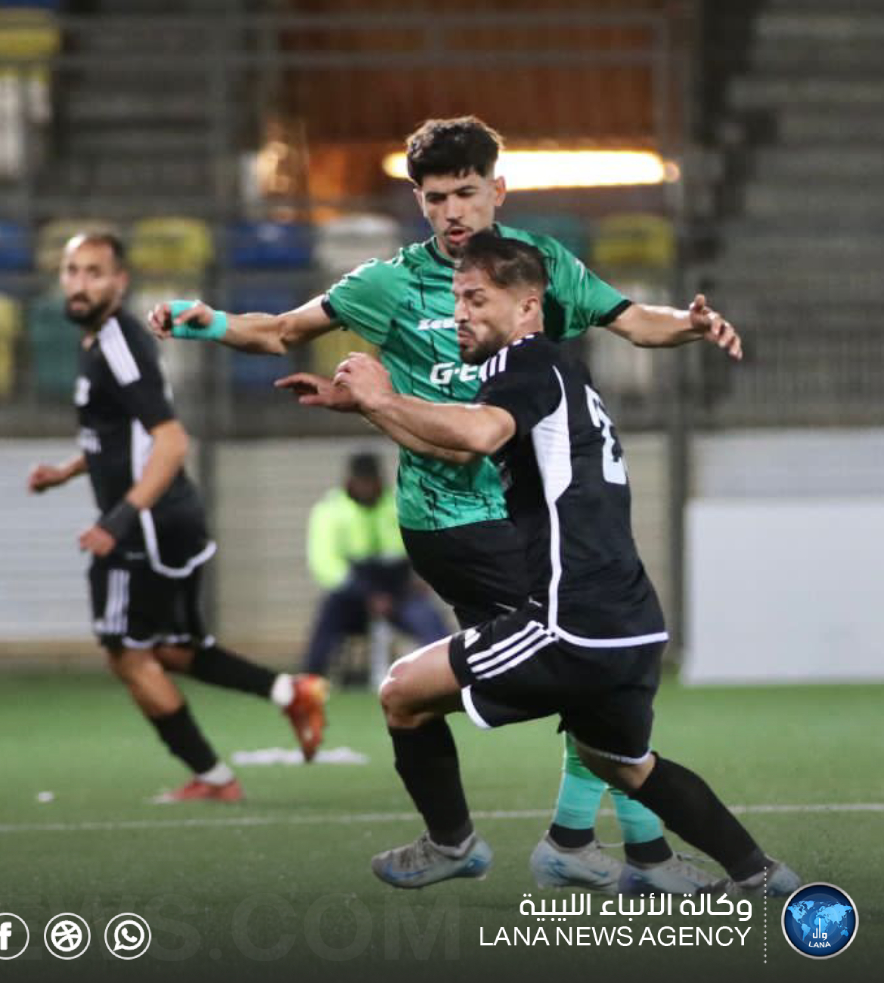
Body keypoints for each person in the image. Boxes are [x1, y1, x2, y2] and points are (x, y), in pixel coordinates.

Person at [149, 116, 739, 891]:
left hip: (521, 520)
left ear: (497, 189)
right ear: (417, 201)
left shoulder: (537, 268)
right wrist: (215, 323)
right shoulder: (385, 283)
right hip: (452, 525)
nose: (453, 211)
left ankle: (526, 841)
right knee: (595, 665)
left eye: (467, 192)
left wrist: (690, 325)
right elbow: (285, 329)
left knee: (588, 672)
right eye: (436, 198)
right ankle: (624, 851)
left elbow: (631, 320)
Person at [315, 231, 798, 895]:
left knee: (401, 691)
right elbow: (460, 448)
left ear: (527, 307)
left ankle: (451, 843)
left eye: (477, 298)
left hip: (569, 621)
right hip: (627, 619)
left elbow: (478, 433)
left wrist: (380, 396)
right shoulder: (547, 372)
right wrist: (374, 409)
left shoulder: (523, 366)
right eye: (456, 297)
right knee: (623, 763)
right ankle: (764, 876)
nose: (460, 312)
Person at [28, 231, 328, 803]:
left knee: (126, 653)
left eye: (95, 272)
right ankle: (292, 692)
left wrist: (117, 522)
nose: (80, 283)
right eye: (72, 271)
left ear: (120, 282)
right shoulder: (104, 341)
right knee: (171, 648)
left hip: (145, 526)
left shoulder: (116, 343)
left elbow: (170, 443)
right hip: (174, 519)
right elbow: (124, 437)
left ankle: (214, 778)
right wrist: (67, 472)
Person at [305, 451, 448, 677]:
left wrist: (424, 575)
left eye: (371, 481)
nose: (367, 487)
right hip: (353, 593)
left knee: (431, 623)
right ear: (350, 481)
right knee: (326, 624)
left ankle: (447, 676)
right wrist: (368, 594)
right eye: (362, 481)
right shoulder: (329, 510)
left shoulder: (400, 503)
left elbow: (423, 545)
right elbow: (325, 564)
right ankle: (309, 684)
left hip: (398, 590)